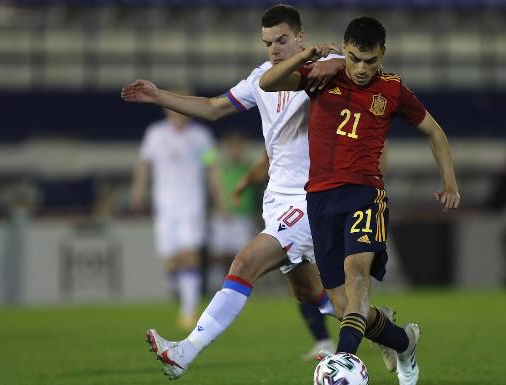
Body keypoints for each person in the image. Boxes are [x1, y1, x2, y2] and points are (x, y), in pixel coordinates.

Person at [120, 4, 367, 379]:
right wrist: (159, 96)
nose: (274, 48)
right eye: (268, 42)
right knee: (308, 291)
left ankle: (185, 350)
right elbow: (213, 107)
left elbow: (364, 71)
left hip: (310, 197)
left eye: (282, 39)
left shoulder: (322, 65)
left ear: (300, 37)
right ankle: (390, 334)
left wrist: (336, 61)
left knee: (244, 263)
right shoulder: (261, 80)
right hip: (277, 198)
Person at [260, 16, 460, 385]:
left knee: (356, 278)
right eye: (354, 58)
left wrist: (450, 182)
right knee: (343, 307)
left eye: (371, 60)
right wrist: (307, 56)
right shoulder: (322, 75)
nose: (362, 68)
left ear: (383, 54)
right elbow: (267, 82)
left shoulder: (394, 91)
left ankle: (343, 361)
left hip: (365, 194)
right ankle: (404, 340)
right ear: (344, 48)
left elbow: (434, 132)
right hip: (318, 200)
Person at [130, 101, 227, 330]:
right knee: (170, 261)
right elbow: (144, 164)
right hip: (164, 206)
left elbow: (211, 168)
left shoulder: (201, 135)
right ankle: (183, 293)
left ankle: (189, 311)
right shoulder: (155, 134)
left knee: (189, 254)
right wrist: (138, 190)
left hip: (191, 205)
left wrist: (220, 200)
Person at [207, 131, 257, 293]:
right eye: (232, 147)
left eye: (239, 147)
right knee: (219, 254)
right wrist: (221, 206)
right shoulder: (221, 168)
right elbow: (214, 185)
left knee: (242, 256)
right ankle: (215, 287)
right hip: (223, 216)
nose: (236, 150)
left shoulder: (249, 168)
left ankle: (240, 288)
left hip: (244, 216)